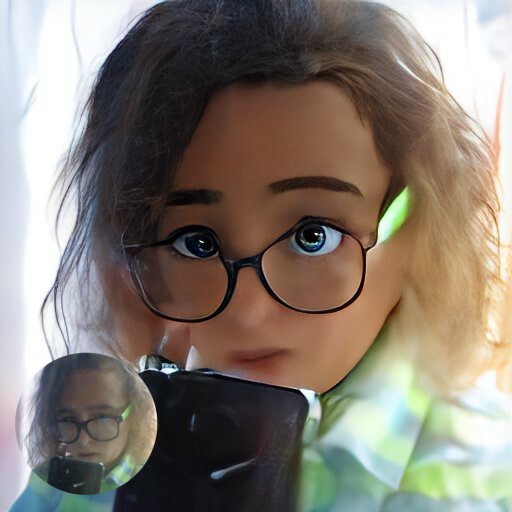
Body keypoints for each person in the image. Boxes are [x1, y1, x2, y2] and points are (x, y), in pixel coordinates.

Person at [12, 0, 512, 510]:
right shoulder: (93, 467)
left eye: (312, 237)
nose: (248, 312)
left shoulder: (488, 478)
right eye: (197, 244)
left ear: (416, 229)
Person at [13, 354, 156, 509]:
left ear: (135, 414)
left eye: (101, 417)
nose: (83, 440)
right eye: (68, 419)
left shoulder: (153, 482)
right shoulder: (47, 477)